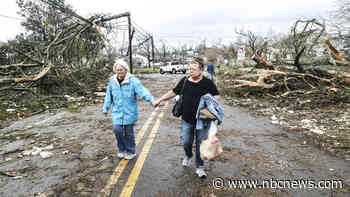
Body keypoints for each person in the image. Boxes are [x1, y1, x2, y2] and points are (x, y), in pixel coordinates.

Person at [153, 57, 220, 178]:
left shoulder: (207, 82)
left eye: (193, 69)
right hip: (187, 119)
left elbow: (217, 96)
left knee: (200, 143)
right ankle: (188, 155)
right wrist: (160, 99)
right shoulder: (184, 81)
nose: (190, 71)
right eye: (189, 69)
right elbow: (173, 92)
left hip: (202, 120)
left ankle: (199, 167)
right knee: (186, 142)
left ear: (201, 70)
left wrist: (210, 105)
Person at [103, 58, 157, 160]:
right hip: (117, 112)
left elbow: (142, 91)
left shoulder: (133, 81)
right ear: (115, 70)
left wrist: (152, 100)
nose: (119, 72)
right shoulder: (112, 81)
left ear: (126, 70)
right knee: (117, 130)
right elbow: (108, 96)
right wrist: (105, 108)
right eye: (117, 70)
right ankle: (122, 149)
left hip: (129, 112)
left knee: (128, 133)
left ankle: (131, 151)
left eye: (121, 69)